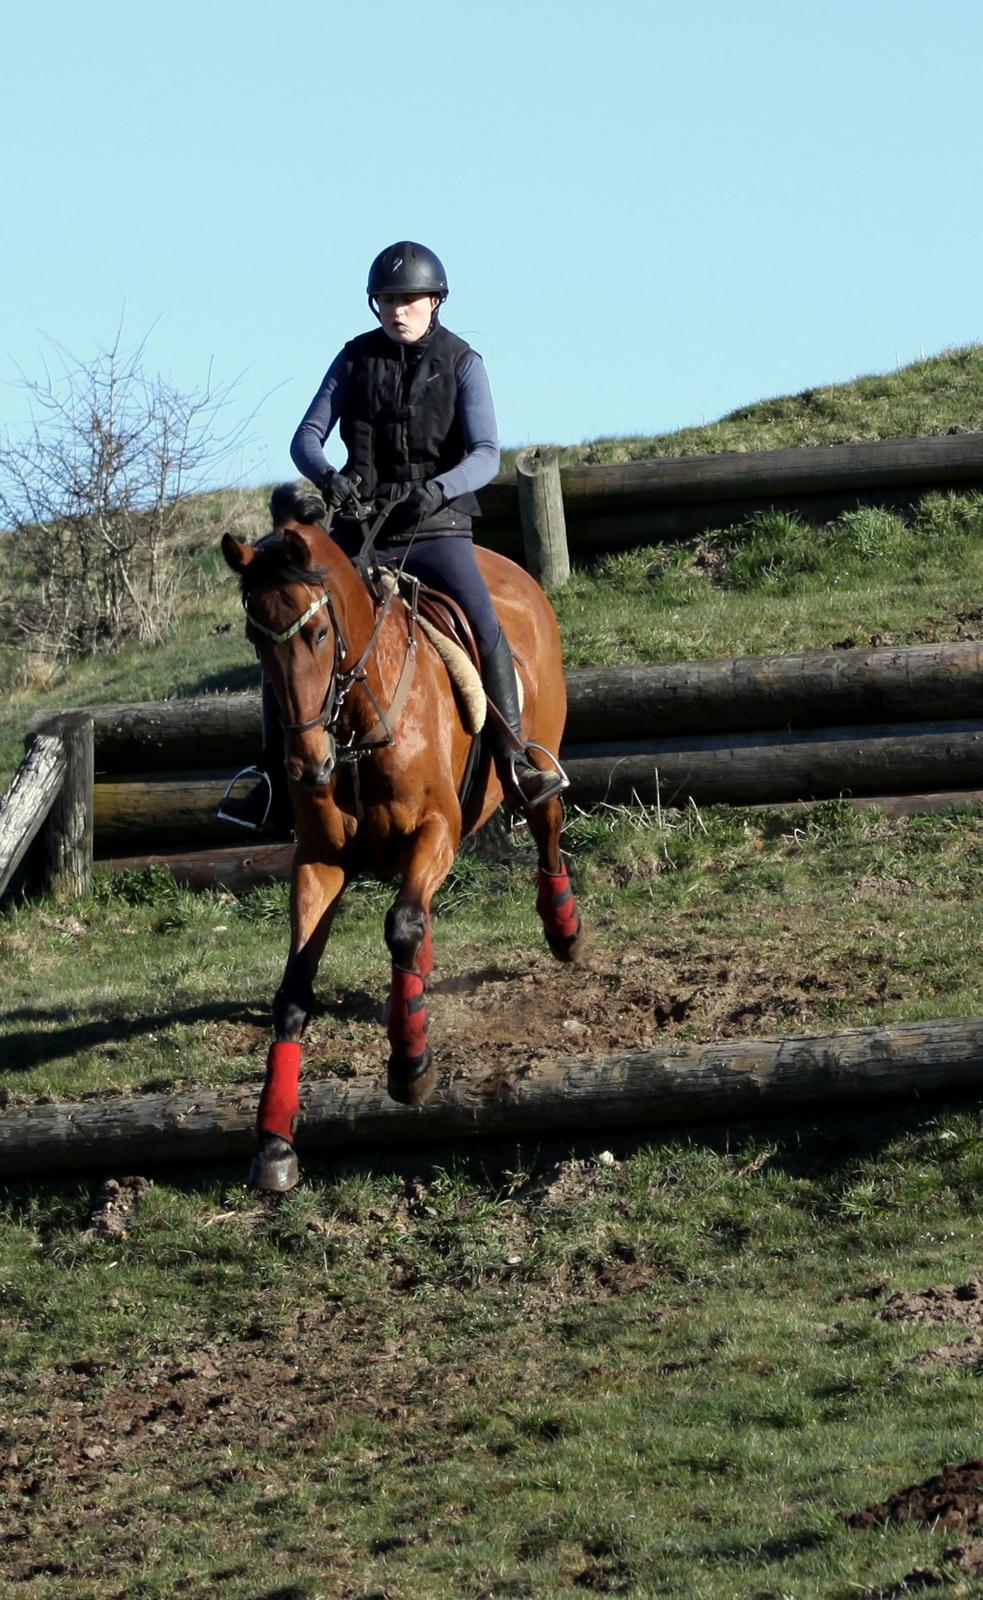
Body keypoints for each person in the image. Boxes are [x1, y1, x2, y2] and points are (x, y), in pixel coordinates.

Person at [220, 240, 565, 832]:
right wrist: (330, 477)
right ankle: (272, 775)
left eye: (409, 299)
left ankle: (516, 760)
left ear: (435, 301)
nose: (397, 309)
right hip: (361, 530)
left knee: (485, 627)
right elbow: (305, 438)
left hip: (436, 530)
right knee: (293, 638)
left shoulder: (463, 363)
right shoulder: (352, 359)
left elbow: (486, 454)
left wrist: (439, 489)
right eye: (387, 300)